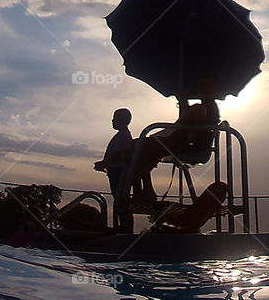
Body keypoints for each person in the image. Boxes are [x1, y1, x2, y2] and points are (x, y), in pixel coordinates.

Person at [125, 75, 220, 203]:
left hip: (188, 144)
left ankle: (145, 192)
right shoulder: (204, 107)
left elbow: (189, 125)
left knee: (140, 146)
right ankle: (143, 191)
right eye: (202, 86)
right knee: (138, 146)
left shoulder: (208, 107)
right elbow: (185, 123)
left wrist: (183, 102)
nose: (202, 89)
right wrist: (183, 103)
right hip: (182, 142)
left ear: (213, 89)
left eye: (206, 86)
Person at [94, 108, 133, 230]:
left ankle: (125, 228)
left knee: (121, 201)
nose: (112, 121)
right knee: (120, 200)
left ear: (122, 120)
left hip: (119, 173)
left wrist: (104, 163)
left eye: (114, 118)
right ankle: (123, 226)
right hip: (115, 172)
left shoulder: (123, 136)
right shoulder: (121, 136)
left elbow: (121, 155)